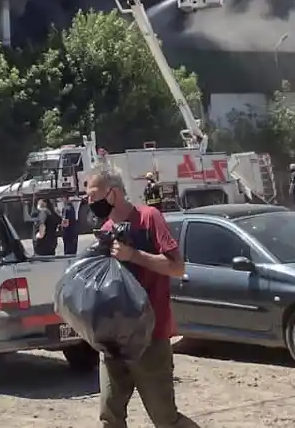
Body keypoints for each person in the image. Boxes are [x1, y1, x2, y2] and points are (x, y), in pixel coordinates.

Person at [85, 161, 199, 428]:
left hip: (150, 339)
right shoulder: (103, 233)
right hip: (114, 342)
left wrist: (133, 255)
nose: (89, 202)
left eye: (92, 195)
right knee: (110, 418)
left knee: (165, 420)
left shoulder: (149, 218)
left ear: (112, 193)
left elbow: (177, 267)